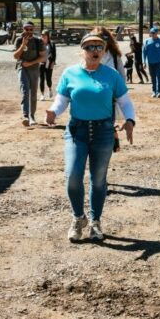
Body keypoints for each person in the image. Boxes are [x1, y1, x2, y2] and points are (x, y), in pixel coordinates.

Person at [46, 32, 136, 242]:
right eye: (90, 47)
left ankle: (95, 222)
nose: (94, 50)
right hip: (77, 131)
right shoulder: (70, 73)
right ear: (82, 50)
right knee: (73, 176)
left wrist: (130, 120)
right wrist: (53, 112)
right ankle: (79, 218)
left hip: (104, 132)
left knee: (98, 180)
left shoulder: (111, 75)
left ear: (104, 51)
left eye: (99, 47)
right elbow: (62, 100)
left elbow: (124, 101)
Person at [13, 21, 46, 126]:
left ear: (34, 29)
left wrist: (31, 63)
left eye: (31, 29)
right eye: (26, 29)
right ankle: (25, 116)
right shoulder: (18, 39)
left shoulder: (38, 41)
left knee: (33, 93)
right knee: (25, 90)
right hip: (21, 67)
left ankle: (32, 116)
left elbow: (43, 57)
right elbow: (15, 56)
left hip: (34, 69)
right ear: (23, 29)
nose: (28, 31)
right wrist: (23, 45)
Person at [142, 27, 160, 98]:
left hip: (159, 62)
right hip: (150, 63)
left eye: (154, 33)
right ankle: (154, 91)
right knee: (152, 77)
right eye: (151, 33)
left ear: (157, 33)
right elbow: (144, 52)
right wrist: (144, 62)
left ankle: (159, 92)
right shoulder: (147, 41)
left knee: (159, 77)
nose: (152, 34)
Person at [39, 29, 57, 101]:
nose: (43, 37)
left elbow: (54, 55)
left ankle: (50, 89)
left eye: (44, 35)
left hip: (49, 64)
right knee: (41, 79)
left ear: (48, 36)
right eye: (42, 35)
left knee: (48, 79)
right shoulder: (39, 44)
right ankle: (42, 95)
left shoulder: (52, 44)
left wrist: (53, 63)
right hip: (41, 63)